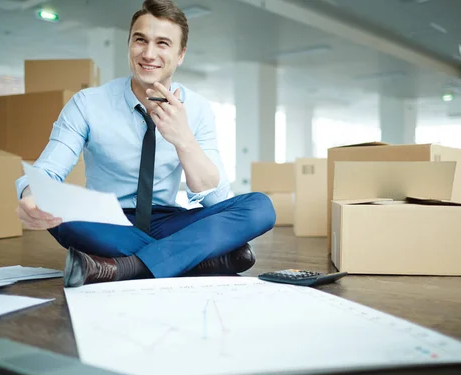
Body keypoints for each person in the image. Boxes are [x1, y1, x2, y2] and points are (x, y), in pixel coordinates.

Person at [15, 0, 276, 288]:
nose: (149, 53)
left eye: (163, 43)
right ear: (129, 44)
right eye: (140, 40)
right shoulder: (88, 103)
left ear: (180, 55)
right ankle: (198, 257)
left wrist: (183, 140)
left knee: (260, 207)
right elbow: (45, 173)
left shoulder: (198, 109)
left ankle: (123, 267)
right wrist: (31, 195)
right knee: (63, 215)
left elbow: (217, 200)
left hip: (169, 219)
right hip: (107, 221)